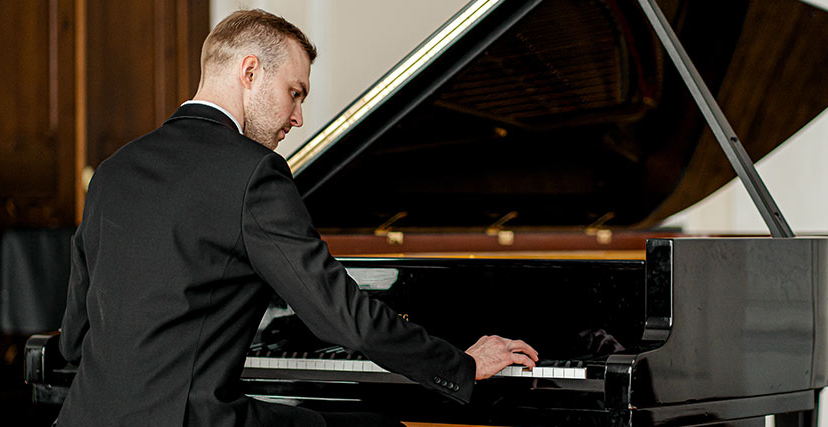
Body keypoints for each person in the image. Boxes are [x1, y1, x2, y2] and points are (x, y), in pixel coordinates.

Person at [56, 9, 538, 427]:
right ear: (249, 72)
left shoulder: (115, 170)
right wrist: (459, 365)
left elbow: (75, 341)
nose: (298, 117)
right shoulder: (252, 172)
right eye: (295, 92)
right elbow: (343, 319)